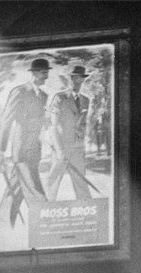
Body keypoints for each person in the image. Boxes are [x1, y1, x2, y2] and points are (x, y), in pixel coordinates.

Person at [0, 57, 51, 215]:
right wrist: (0, 150)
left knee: (14, 190)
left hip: (34, 151)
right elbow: (6, 121)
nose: (46, 76)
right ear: (34, 73)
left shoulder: (44, 96)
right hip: (22, 152)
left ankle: (2, 221)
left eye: (47, 73)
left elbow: (40, 124)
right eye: (43, 73)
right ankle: (46, 225)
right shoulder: (19, 92)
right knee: (37, 195)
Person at [46, 64, 93, 200]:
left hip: (77, 149)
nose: (75, 81)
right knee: (52, 182)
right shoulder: (58, 97)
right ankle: (45, 211)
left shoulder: (86, 100)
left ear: (82, 80)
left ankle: (87, 210)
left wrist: (82, 143)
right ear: (69, 79)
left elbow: (83, 124)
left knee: (81, 183)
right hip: (61, 147)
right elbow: (51, 124)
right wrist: (59, 149)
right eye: (72, 78)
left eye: (78, 78)